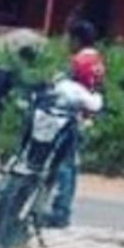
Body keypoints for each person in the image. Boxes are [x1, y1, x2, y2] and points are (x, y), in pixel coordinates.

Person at [43, 20, 106, 228]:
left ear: (77, 39)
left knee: (64, 165)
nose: (68, 42)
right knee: (69, 164)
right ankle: (58, 208)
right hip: (86, 117)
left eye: (70, 38)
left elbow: (65, 89)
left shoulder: (79, 61)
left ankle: (61, 212)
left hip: (70, 118)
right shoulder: (96, 60)